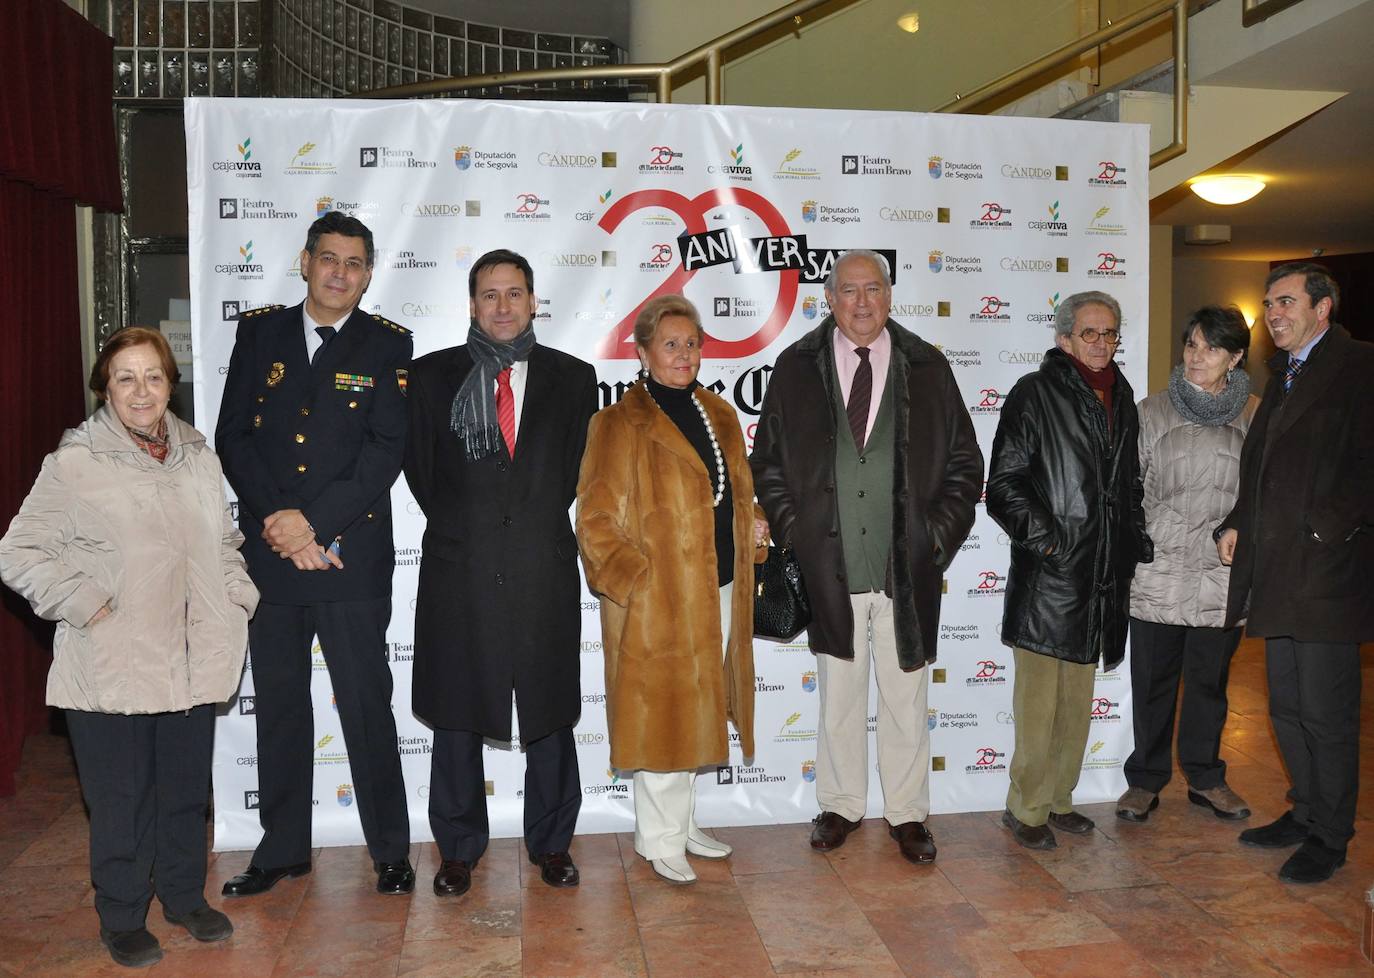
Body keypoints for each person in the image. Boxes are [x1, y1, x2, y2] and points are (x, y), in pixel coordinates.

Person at [0, 327, 258, 969]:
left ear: (171, 382)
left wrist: (237, 599)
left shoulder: (199, 455)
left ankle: (181, 898)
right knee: (119, 801)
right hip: (111, 664)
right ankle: (121, 914)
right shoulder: (75, 462)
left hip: (192, 659)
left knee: (180, 793)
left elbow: (225, 542)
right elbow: (19, 551)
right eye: (125, 378)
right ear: (104, 389)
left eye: (153, 376)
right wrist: (84, 603)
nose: (141, 391)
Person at [751, 250, 982, 864]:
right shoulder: (796, 367)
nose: (860, 302)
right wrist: (795, 529)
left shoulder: (928, 367)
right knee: (839, 696)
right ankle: (840, 805)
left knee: (907, 699)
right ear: (829, 299)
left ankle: (908, 814)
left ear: (889, 296)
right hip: (829, 565)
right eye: (848, 290)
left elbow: (965, 461)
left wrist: (937, 538)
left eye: (872, 289)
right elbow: (767, 462)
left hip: (904, 568)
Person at [215, 211, 415, 897]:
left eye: (355, 263)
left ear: (368, 272)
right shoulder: (259, 333)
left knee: (365, 703)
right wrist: (279, 522)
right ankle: (281, 850)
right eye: (328, 259)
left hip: (349, 557)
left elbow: (384, 451)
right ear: (305, 263)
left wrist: (314, 525)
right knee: (279, 705)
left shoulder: (388, 345)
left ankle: (390, 848)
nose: (340, 273)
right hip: (273, 557)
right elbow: (233, 435)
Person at [404, 249, 598, 897]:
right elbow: (425, 476)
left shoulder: (574, 379)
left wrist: (520, 523)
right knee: (459, 708)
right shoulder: (431, 379)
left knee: (547, 709)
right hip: (461, 566)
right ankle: (457, 849)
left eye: (515, 293)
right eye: (490, 295)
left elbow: (573, 472)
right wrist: (476, 527)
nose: (504, 306)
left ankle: (551, 843)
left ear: (534, 300)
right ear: (471, 305)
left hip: (542, 565)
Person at [577, 294, 766, 884]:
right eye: (670, 345)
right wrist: (635, 581)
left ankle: (681, 826)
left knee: (699, 707)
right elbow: (596, 518)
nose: (683, 355)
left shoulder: (720, 414)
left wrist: (752, 524)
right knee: (661, 714)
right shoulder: (616, 422)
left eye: (691, 344)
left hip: (720, 586)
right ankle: (656, 838)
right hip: (657, 599)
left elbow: (732, 495)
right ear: (642, 352)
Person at [1217, 262, 1374, 884]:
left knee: (1326, 713)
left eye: (1284, 302)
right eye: (1268, 304)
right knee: (1285, 705)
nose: (1272, 314)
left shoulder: (1361, 366)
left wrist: (1321, 531)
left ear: (1323, 307)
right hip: (1277, 573)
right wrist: (1236, 522)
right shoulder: (1281, 375)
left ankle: (1331, 836)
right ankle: (1306, 811)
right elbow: (1259, 468)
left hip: (1328, 574)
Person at [986, 290, 1151, 851]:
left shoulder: (1122, 397)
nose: (1102, 344)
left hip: (1103, 577)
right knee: (1039, 707)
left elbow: (1128, 481)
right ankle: (1025, 808)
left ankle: (1059, 800)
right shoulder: (1033, 394)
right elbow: (1003, 486)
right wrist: (1051, 544)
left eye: (1110, 334)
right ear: (1063, 339)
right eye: (1090, 333)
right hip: (1050, 578)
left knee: (1077, 704)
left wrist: (1133, 538)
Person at [1117, 306, 1258, 823]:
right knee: (1152, 684)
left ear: (1236, 357)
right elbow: (1128, 491)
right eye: (1192, 345)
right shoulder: (1150, 412)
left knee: (1208, 685)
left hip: (1222, 576)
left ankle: (1206, 777)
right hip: (1157, 571)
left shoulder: (1256, 416)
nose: (1197, 356)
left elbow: (1264, 494)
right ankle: (1146, 781)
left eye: (1212, 348)